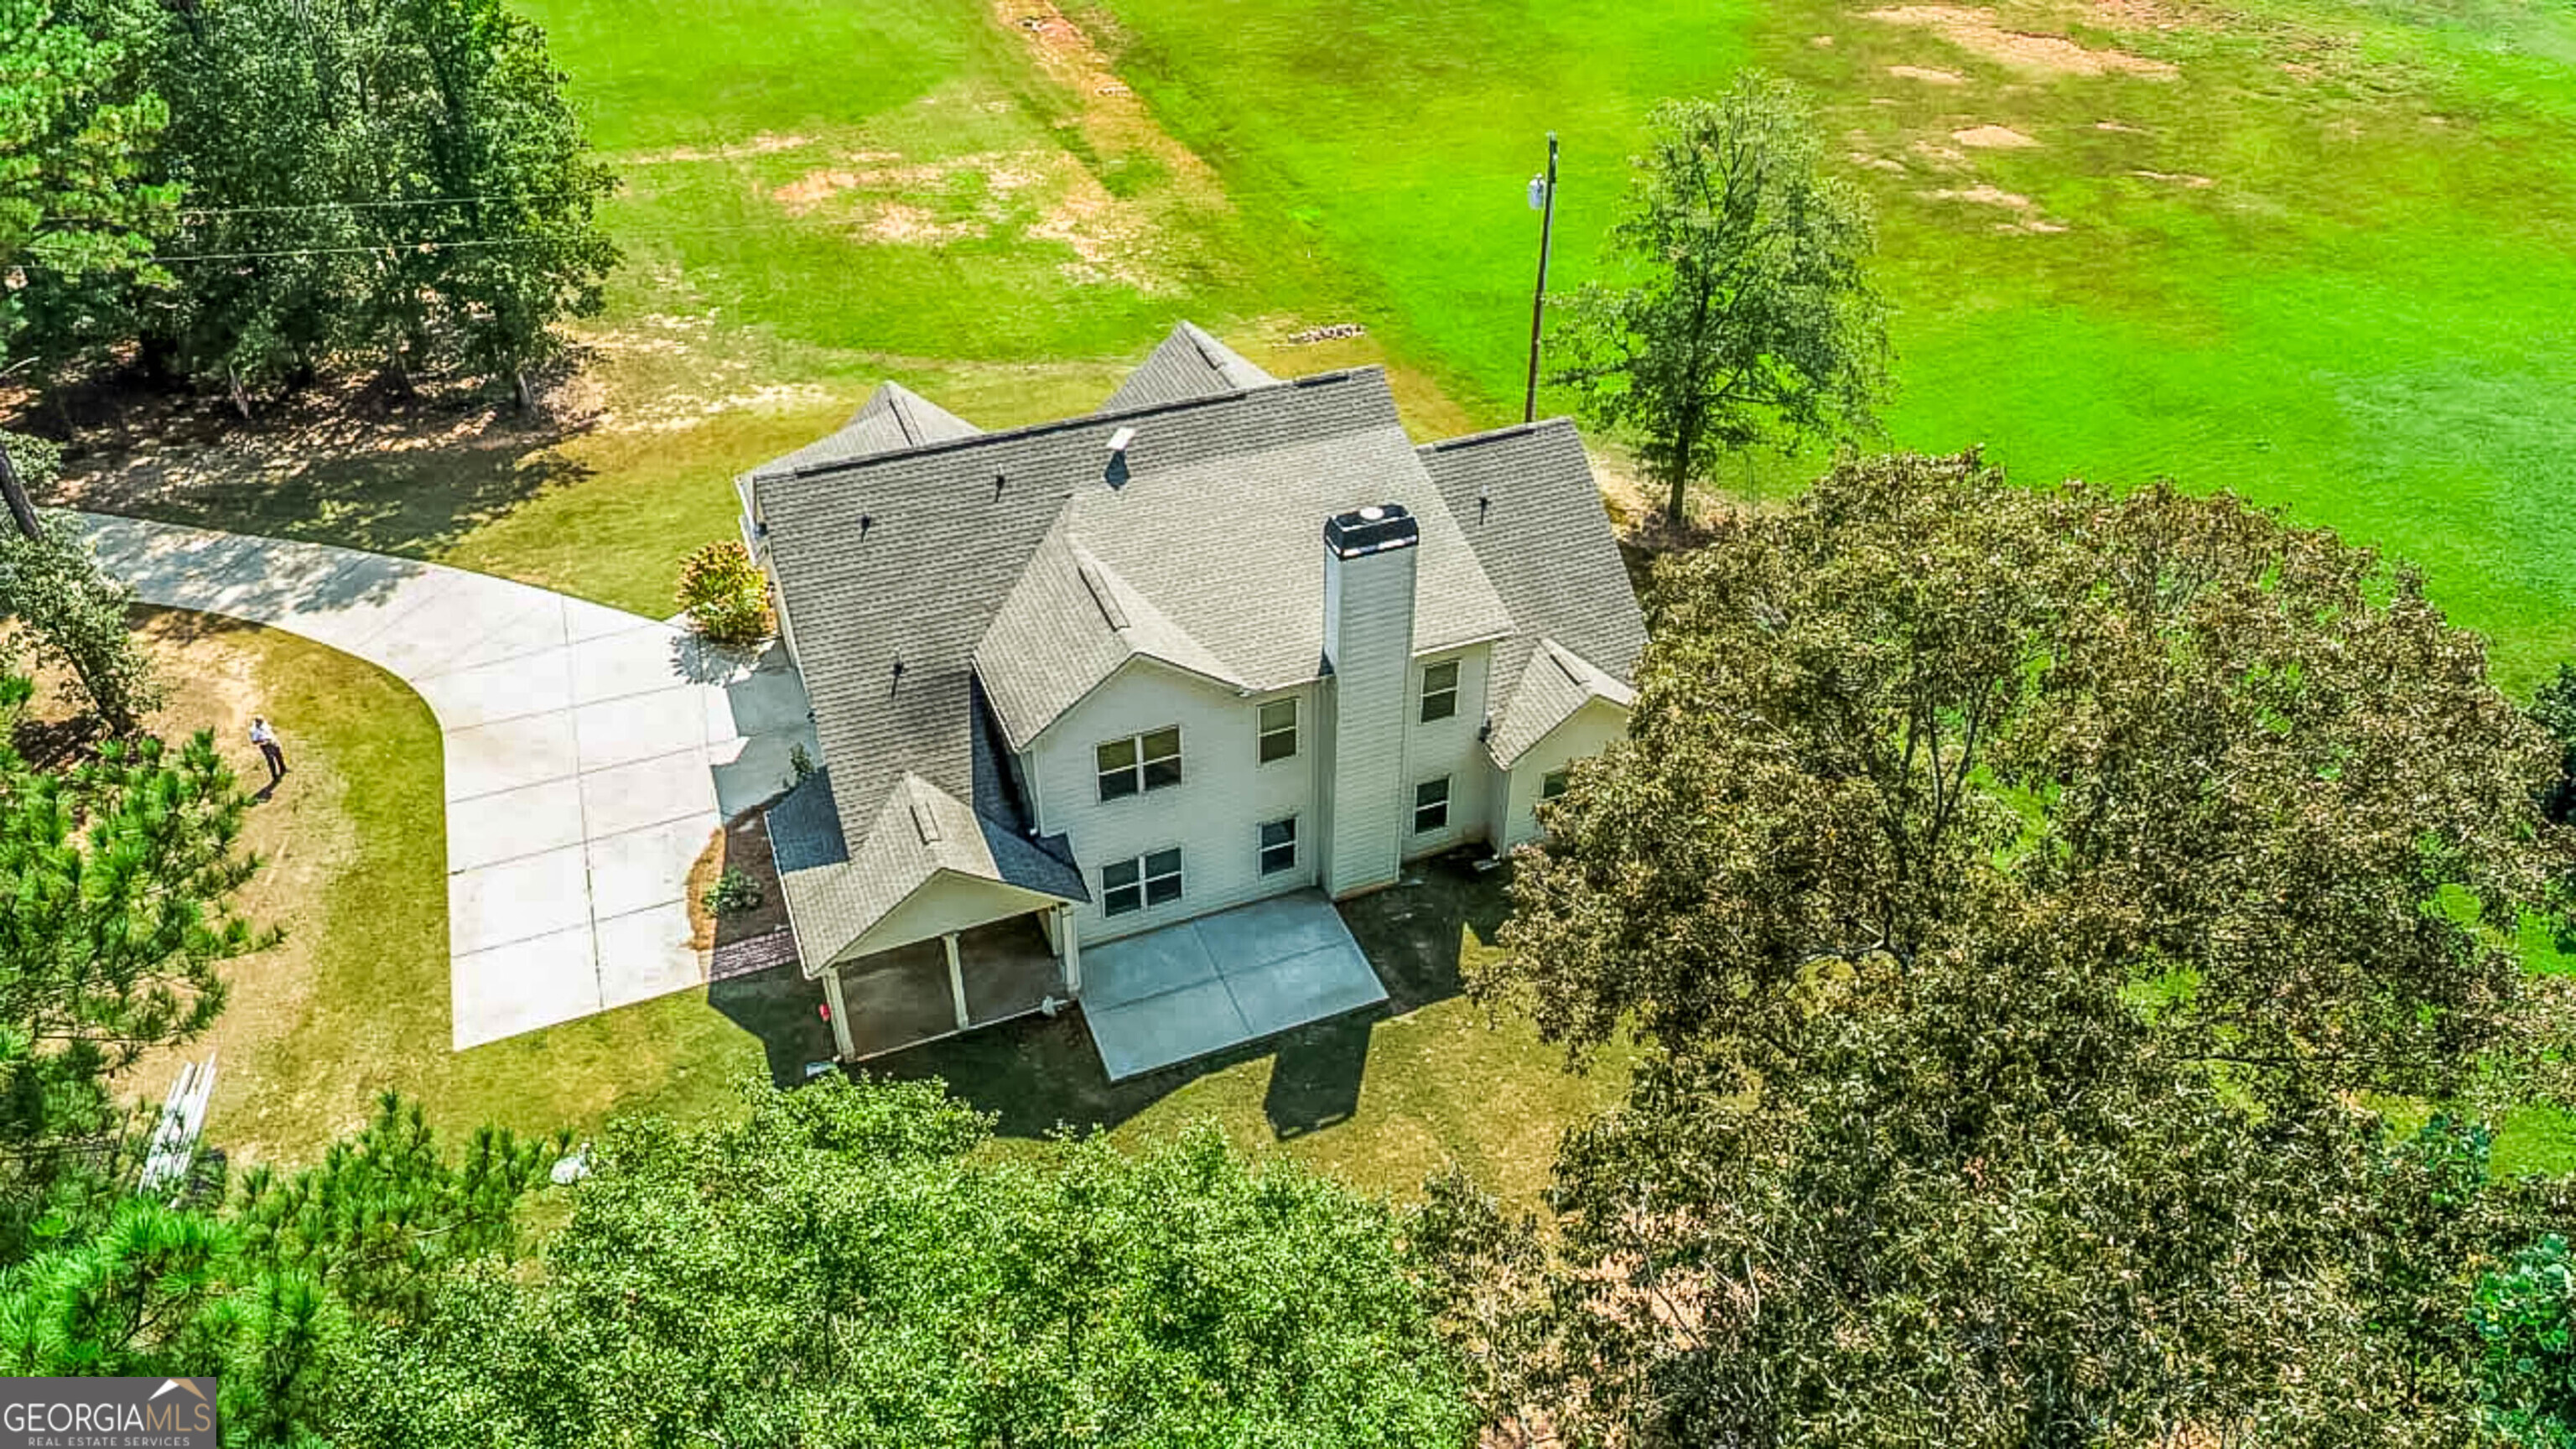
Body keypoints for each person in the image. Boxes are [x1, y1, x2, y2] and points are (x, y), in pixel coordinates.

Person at [249, 716, 288, 786]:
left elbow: (269, 731)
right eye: (259, 722)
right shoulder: (253, 730)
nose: (261, 723)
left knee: (279, 756)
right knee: (271, 761)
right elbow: (254, 741)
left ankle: (283, 769)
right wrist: (263, 741)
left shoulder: (264, 724)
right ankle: (275, 777)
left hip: (273, 742)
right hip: (265, 746)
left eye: (262, 722)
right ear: (256, 722)